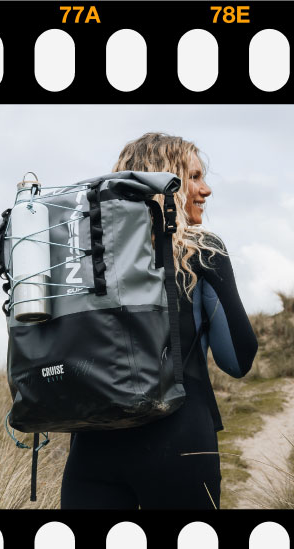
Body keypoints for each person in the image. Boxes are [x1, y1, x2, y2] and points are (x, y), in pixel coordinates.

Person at [60, 133, 257, 510]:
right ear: (167, 182)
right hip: (179, 443)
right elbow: (238, 359)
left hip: (92, 447)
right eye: (194, 177)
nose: (206, 189)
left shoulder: (83, 253)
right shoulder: (201, 250)